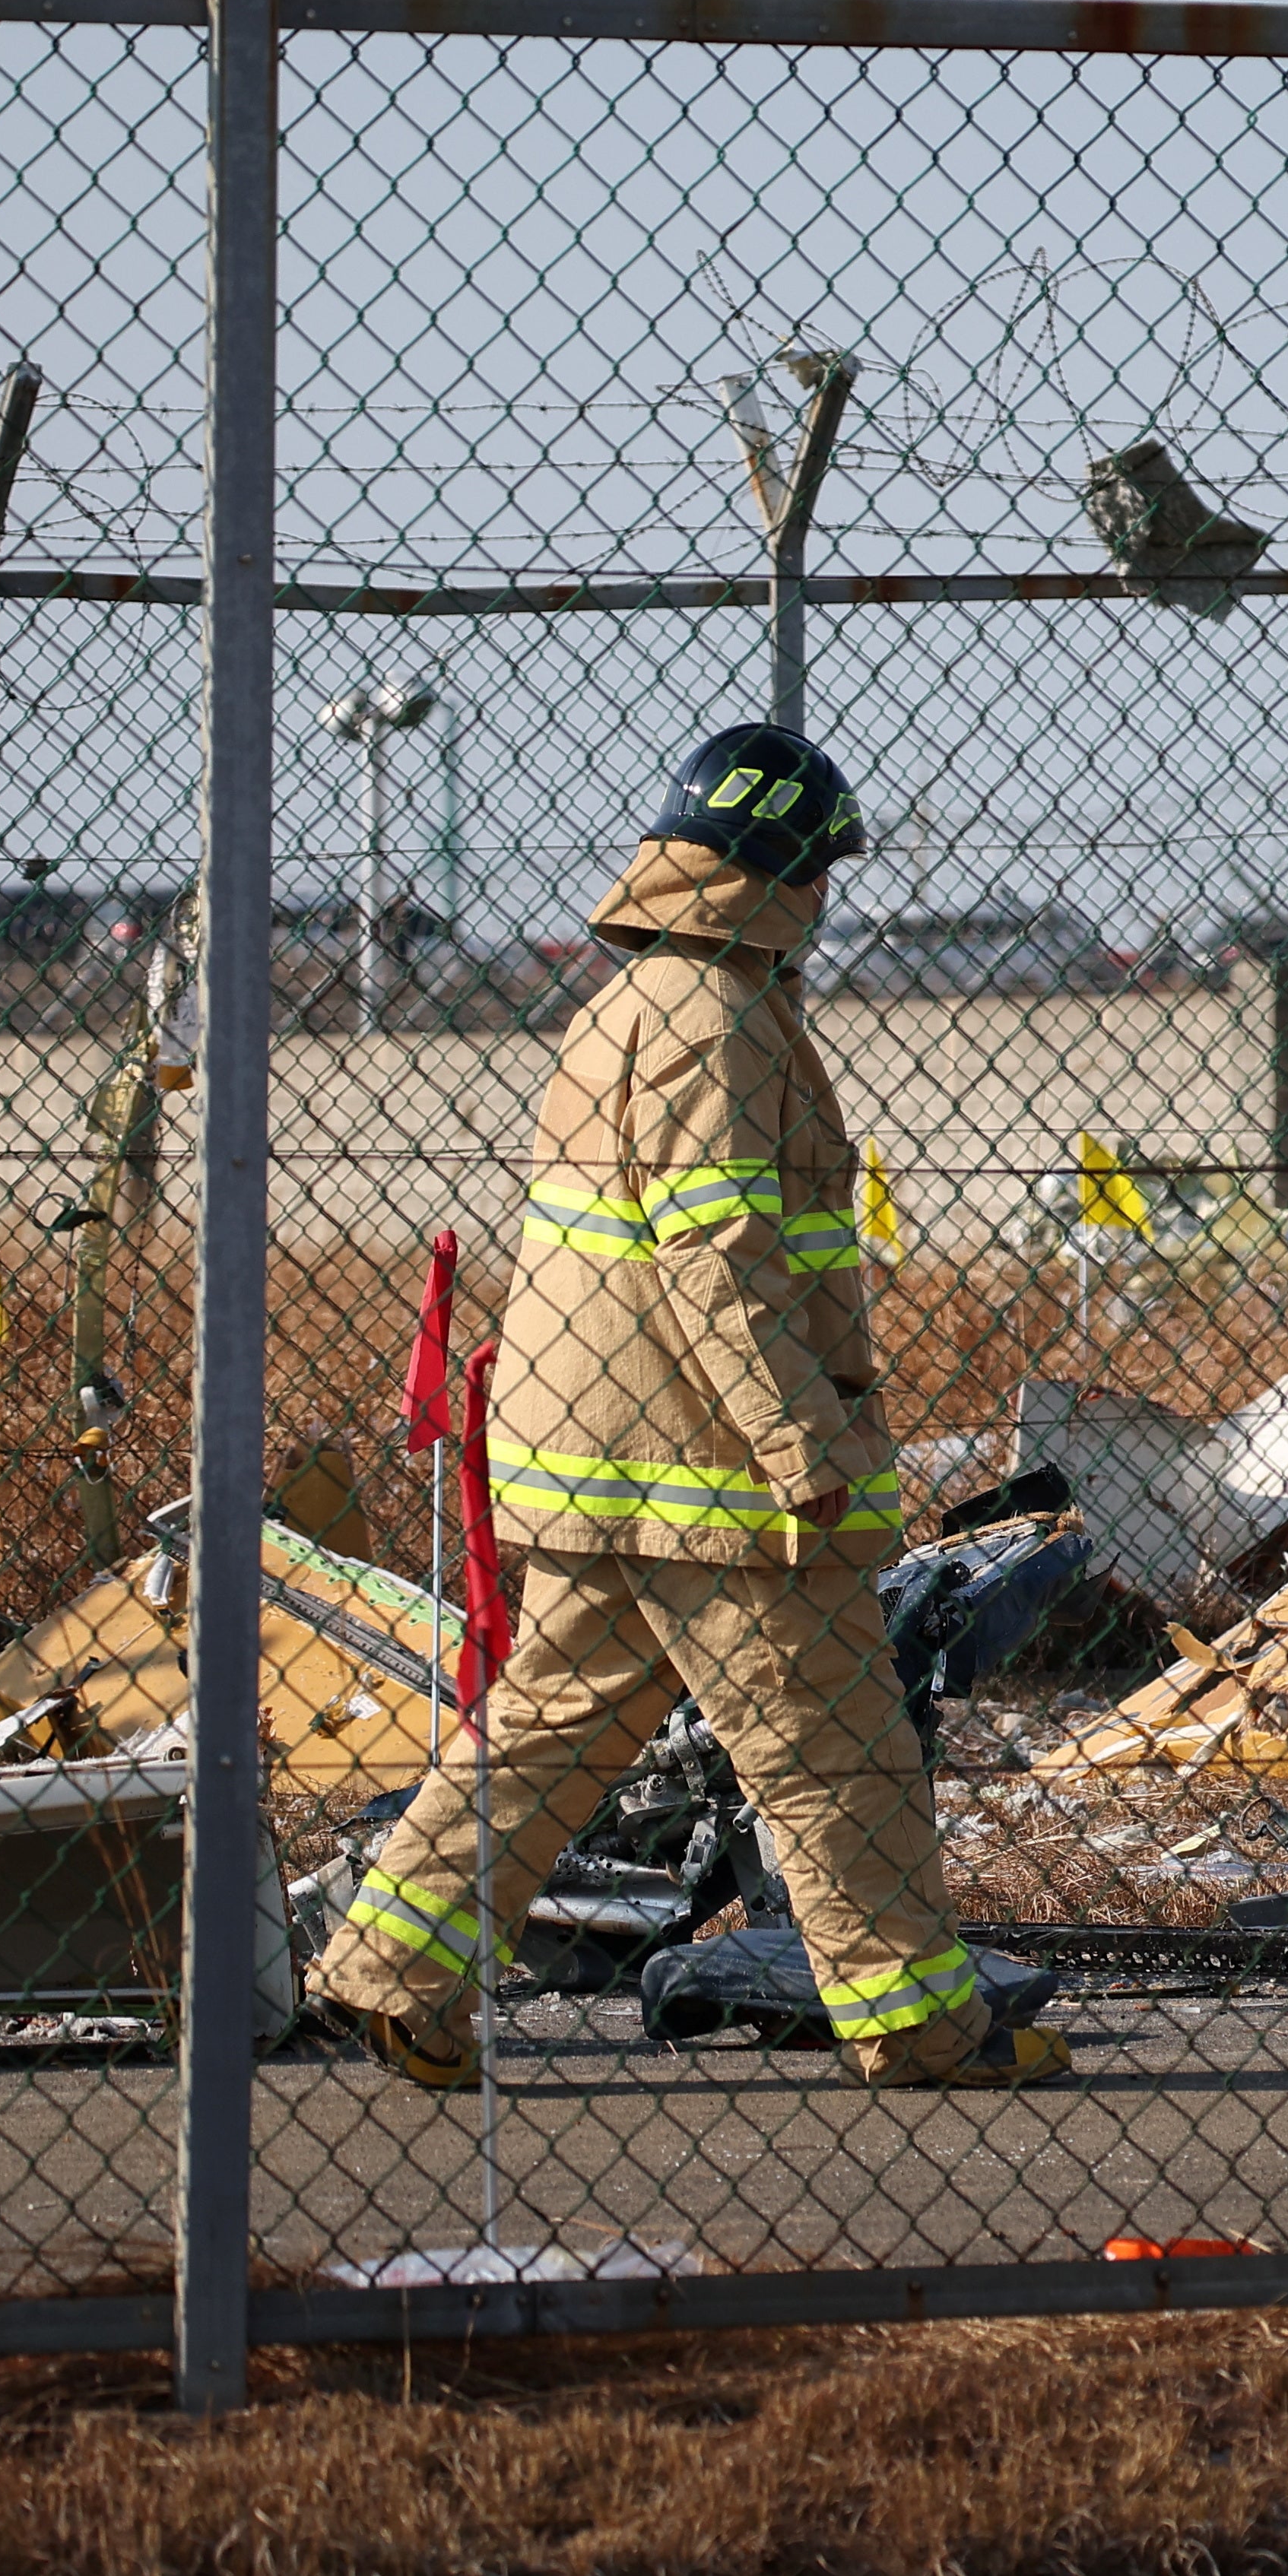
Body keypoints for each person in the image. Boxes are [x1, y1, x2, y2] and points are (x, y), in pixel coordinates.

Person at [309, 723, 1072, 2092]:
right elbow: (714, 1256)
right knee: (841, 1758)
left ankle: (392, 1970)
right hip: (709, 1474)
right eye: (822, 871)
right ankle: (919, 2027)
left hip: (595, 1457)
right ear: (780, 870)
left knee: (546, 1735)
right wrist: (799, 1442)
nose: (831, 902)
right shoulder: (716, 1020)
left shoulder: (632, 1002)